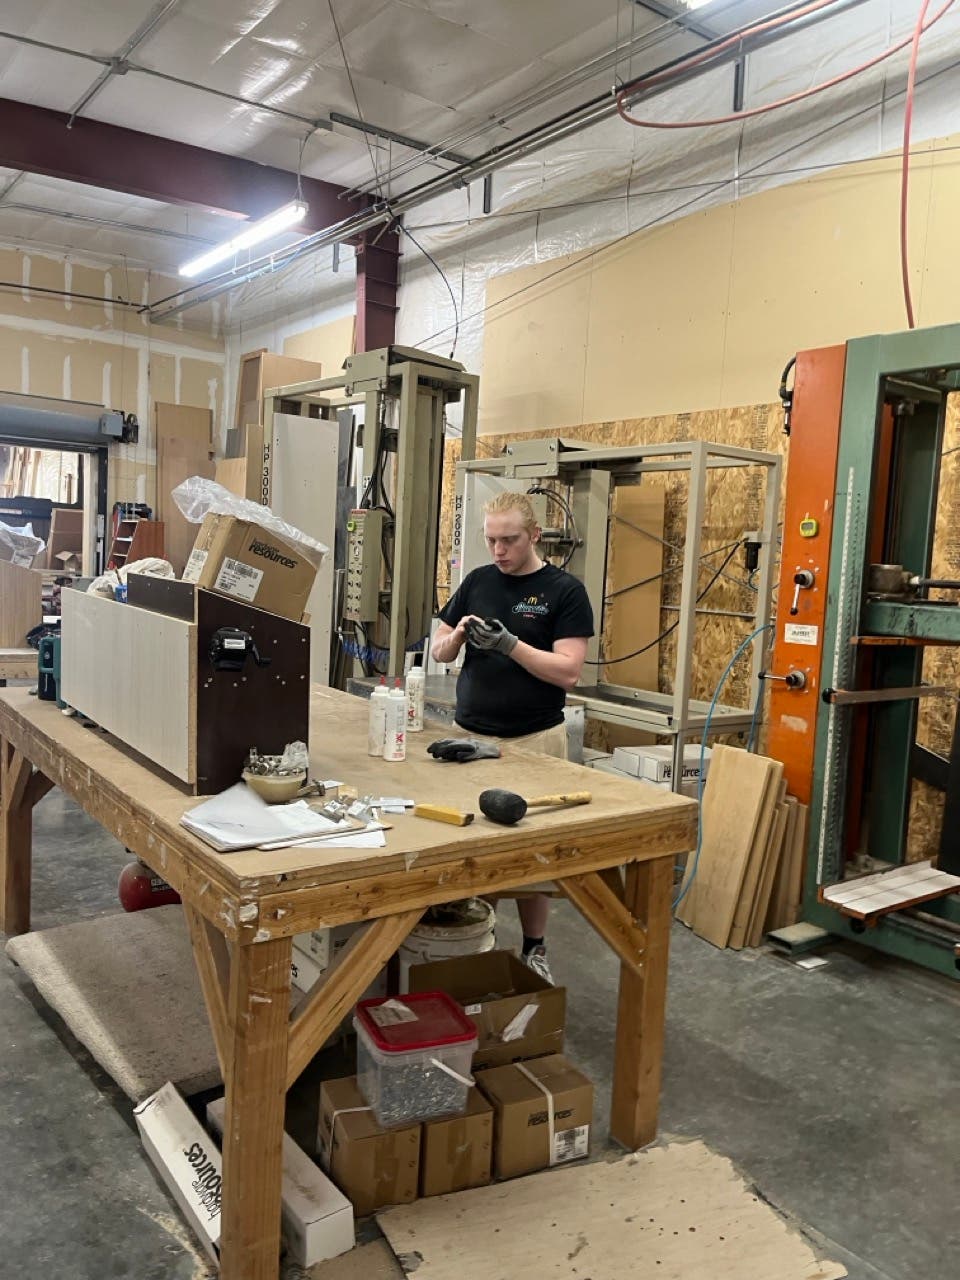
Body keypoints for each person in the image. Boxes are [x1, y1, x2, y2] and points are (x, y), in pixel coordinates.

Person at [430, 491, 594, 983]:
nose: (499, 550)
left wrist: (511, 645)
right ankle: (469, 939)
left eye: (510, 540)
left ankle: (534, 946)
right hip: (469, 736)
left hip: (534, 740)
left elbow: (568, 671)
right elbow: (438, 651)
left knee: (532, 854)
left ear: (535, 535)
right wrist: (458, 636)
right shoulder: (478, 581)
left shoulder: (565, 591)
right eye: (491, 540)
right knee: (467, 844)